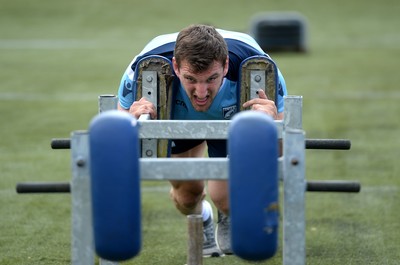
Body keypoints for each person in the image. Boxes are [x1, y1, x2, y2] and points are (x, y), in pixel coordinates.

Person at [117, 24, 287, 257]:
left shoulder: (259, 68)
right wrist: (131, 122)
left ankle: (227, 212)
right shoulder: (145, 71)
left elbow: (280, 155)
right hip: (175, 110)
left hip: (234, 113)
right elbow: (117, 145)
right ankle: (204, 218)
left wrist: (269, 128)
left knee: (226, 199)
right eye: (191, 79)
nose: (201, 92)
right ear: (175, 67)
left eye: (211, 79)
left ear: (226, 66)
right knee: (187, 196)